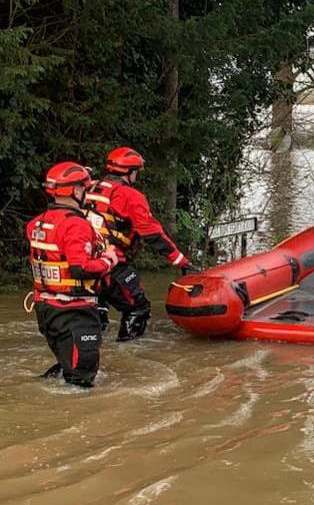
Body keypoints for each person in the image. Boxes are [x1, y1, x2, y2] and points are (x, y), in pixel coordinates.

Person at [86, 146, 197, 342]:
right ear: (131, 172)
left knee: (95, 306)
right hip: (111, 262)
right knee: (138, 307)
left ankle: (93, 336)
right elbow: (151, 233)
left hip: (84, 262)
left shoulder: (91, 187)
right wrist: (179, 259)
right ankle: (127, 352)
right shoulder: (130, 196)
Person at [27, 162, 119, 388]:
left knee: (69, 369)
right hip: (74, 311)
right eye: (84, 188)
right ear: (76, 191)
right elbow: (80, 268)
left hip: (47, 309)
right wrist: (108, 260)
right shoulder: (76, 225)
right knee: (82, 382)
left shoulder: (37, 222)